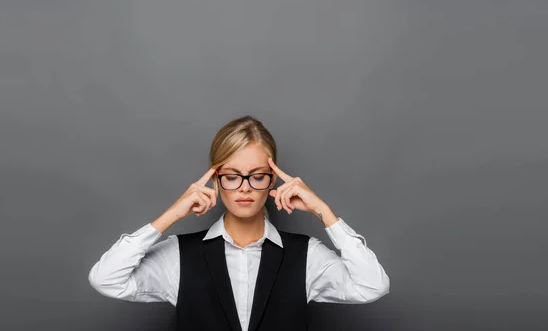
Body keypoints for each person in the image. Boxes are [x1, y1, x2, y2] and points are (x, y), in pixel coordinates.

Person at [88, 115, 390, 331]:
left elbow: (372, 286)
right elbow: (106, 279)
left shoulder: (307, 255)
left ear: (272, 179)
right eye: (231, 177)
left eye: (257, 176)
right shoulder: (179, 256)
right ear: (216, 181)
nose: (244, 187)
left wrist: (324, 212)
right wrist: (171, 215)